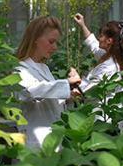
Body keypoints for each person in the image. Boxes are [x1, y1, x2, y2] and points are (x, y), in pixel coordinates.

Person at [15, 16, 81, 149]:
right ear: (35, 40)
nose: (55, 47)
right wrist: (67, 83)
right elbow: (31, 91)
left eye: (56, 42)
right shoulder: (19, 69)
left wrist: (68, 97)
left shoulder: (44, 68)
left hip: (52, 141)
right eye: (51, 41)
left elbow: (49, 98)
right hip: (34, 143)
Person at [71, 13, 123, 93]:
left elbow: (88, 91)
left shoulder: (109, 67)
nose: (98, 38)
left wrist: (76, 79)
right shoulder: (113, 56)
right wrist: (83, 25)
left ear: (109, 41)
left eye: (101, 36)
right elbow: (93, 44)